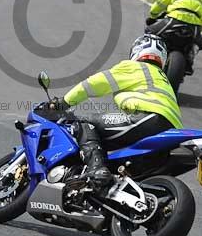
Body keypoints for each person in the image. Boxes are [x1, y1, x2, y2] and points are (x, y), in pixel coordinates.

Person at [56, 35, 182, 186]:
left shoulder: (134, 67)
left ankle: (96, 167)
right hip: (171, 127)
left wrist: (62, 103)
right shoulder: (162, 78)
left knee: (84, 123)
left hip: (148, 118)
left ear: (137, 51)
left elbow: (93, 84)